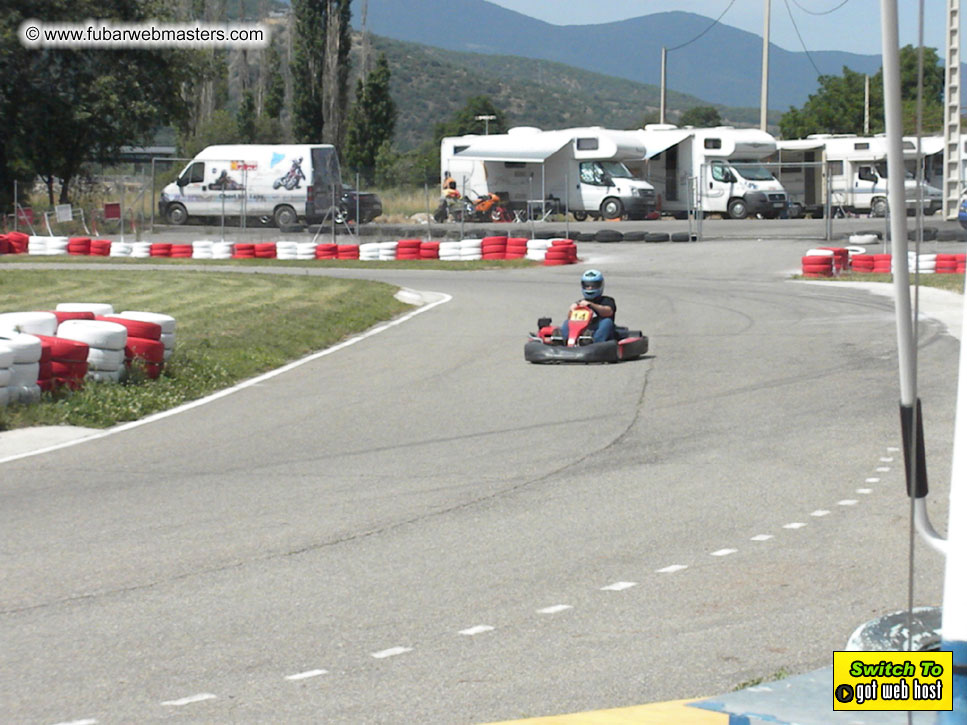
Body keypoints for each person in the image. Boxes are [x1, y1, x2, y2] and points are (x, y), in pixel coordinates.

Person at [560, 269, 616, 343]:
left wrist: (591, 305)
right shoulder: (580, 303)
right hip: (582, 329)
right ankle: (564, 341)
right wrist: (572, 310)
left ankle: (596, 343)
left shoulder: (607, 300)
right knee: (567, 322)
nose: (590, 288)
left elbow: (608, 312)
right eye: (587, 285)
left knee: (607, 322)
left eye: (593, 286)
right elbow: (571, 318)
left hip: (598, 329)